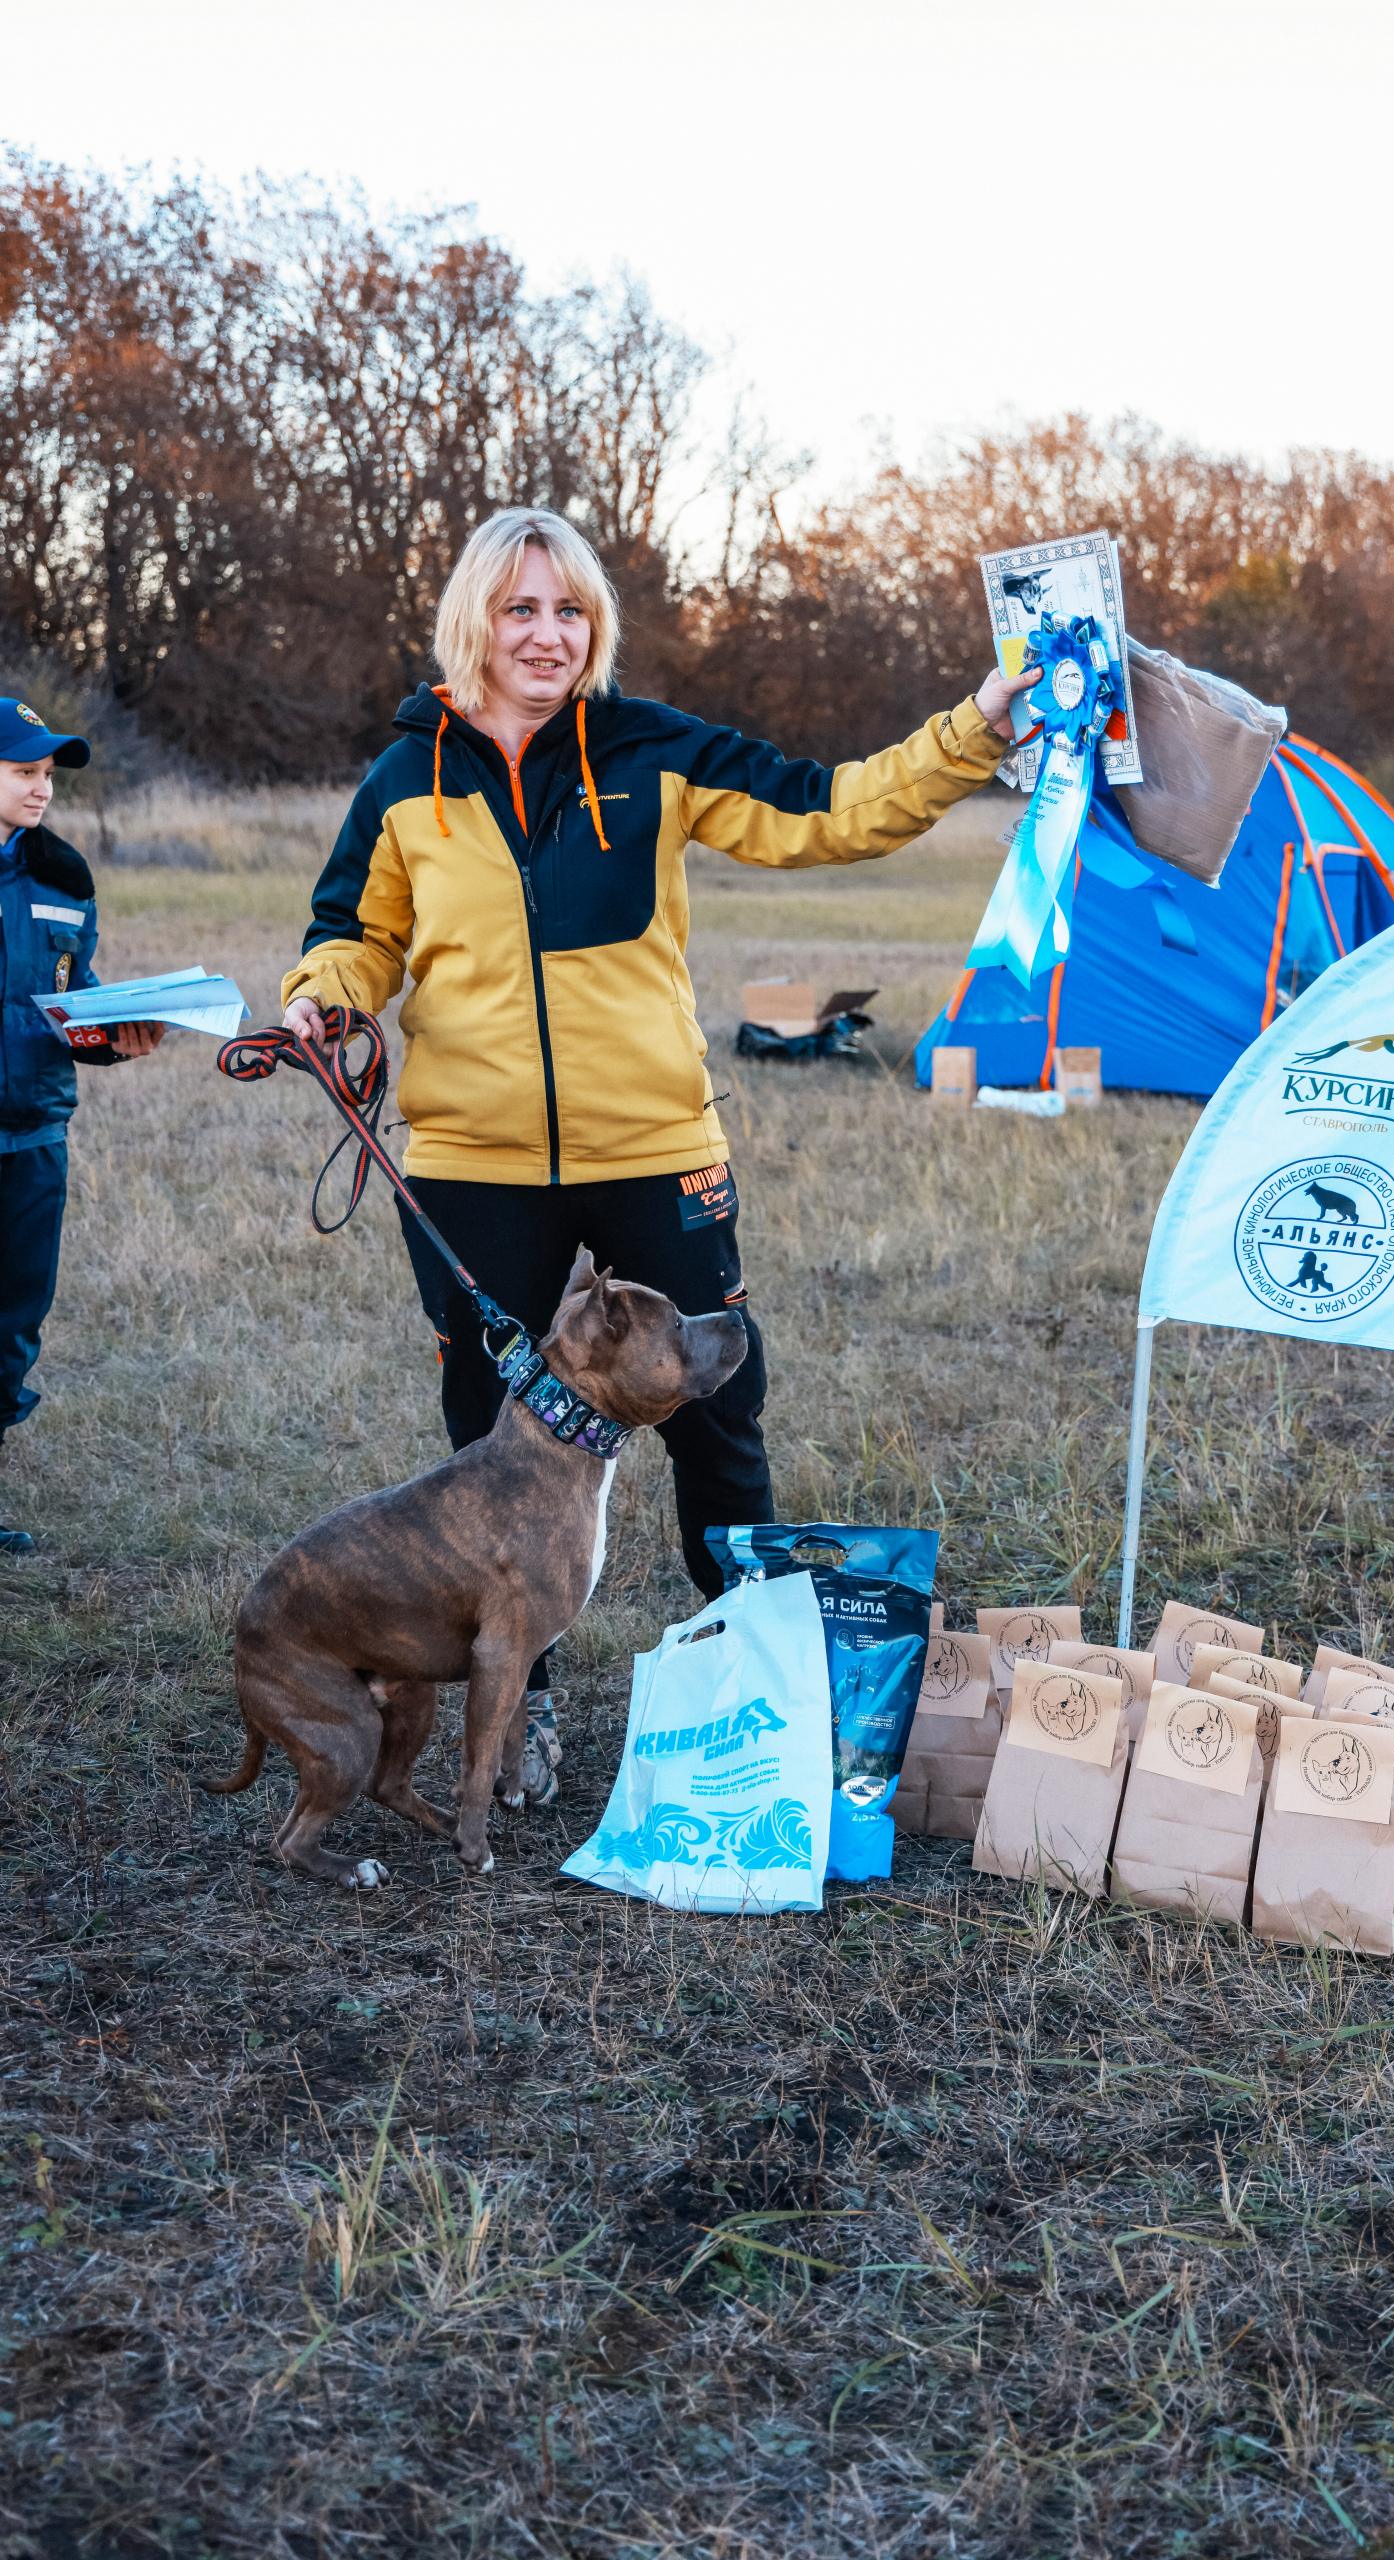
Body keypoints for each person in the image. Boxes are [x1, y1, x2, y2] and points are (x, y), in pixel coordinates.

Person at [283, 506, 1039, 1804]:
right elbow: (354, 931)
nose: (547, 634)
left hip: (656, 1148)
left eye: (570, 610)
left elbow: (830, 811)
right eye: (521, 609)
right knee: (495, 1433)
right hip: (472, 1162)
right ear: (475, 618)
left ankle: (754, 1675)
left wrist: (971, 728)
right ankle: (525, 1704)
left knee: (719, 1409)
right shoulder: (403, 780)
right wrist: (329, 995)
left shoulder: (648, 749)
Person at [0, 701, 165, 1554]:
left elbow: (75, 996)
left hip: (33, 1138)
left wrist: (114, 1037)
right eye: (24, 771)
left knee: (12, 1326)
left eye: (48, 775)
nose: (42, 789)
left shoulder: (64, 878)